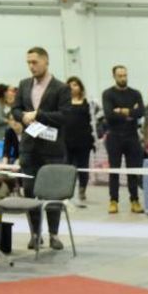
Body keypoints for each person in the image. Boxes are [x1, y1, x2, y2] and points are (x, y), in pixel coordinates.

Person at [11, 46, 71, 250]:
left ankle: (54, 234)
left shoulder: (61, 88)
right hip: (29, 147)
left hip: (52, 148)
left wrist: (38, 115)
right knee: (29, 192)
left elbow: (65, 116)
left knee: (52, 193)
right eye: (28, 62)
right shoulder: (24, 84)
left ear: (46, 61)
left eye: (35, 62)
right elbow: (15, 109)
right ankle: (35, 234)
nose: (31, 66)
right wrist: (22, 116)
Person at [102, 65, 144, 214]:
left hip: (132, 136)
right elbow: (109, 114)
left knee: (133, 170)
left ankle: (135, 200)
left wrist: (121, 110)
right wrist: (130, 112)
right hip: (114, 137)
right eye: (120, 76)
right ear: (114, 76)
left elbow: (141, 112)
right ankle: (113, 200)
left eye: (125, 75)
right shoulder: (107, 94)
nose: (123, 78)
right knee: (114, 170)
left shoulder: (135, 93)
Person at [62, 76, 95, 207]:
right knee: (67, 166)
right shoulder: (63, 103)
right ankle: (67, 190)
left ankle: (82, 190)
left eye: (75, 84)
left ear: (80, 87)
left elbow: (94, 121)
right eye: (70, 85)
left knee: (83, 167)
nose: (72, 87)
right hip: (67, 140)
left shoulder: (88, 103)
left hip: (83, 141)